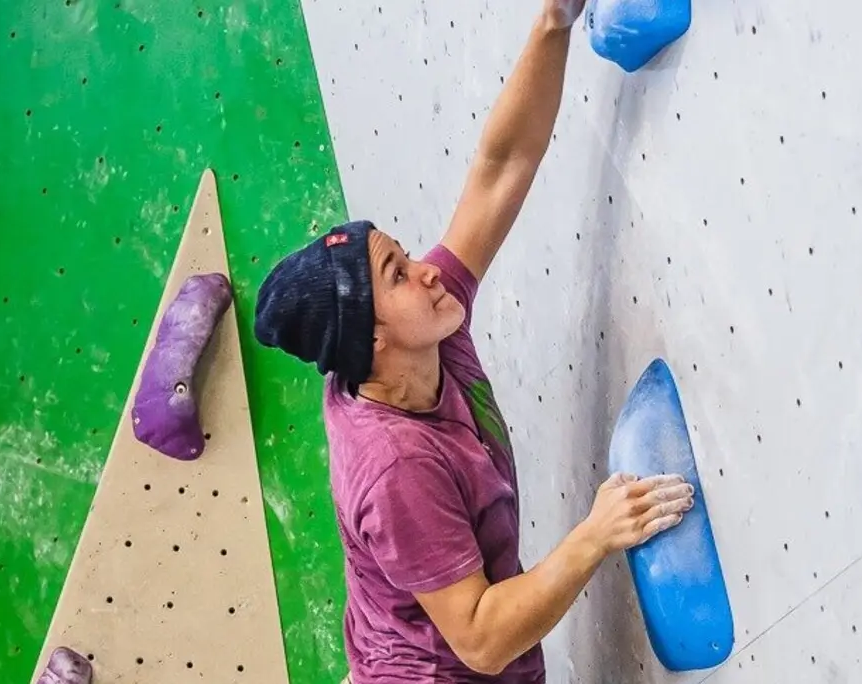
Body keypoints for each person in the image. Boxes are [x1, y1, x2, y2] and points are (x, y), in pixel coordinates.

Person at [251, 0, 696, 681]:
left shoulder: (419, 333)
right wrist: (596, 533)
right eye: (397, 273)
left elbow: (501, 166)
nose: (429, 271)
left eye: (402, 254)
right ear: (372, 338)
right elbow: (483, 640)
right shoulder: (396, 468)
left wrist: (552, 24)